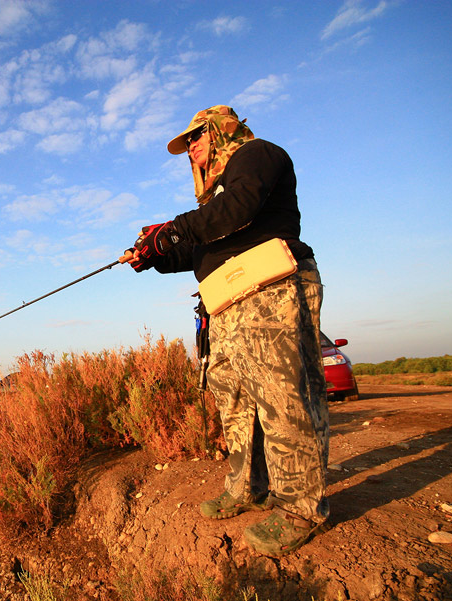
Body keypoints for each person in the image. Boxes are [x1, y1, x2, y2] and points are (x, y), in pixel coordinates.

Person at [120, 105, 329, 557]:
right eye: (186, 144)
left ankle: (299, 509)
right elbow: (193, 252)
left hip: (270, 291)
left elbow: (239, 211)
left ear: (221, 130)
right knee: (234, 402)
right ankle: (246, 488)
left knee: (283, 395)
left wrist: (171, 230)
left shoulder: (257, 157)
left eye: (196, 136)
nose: (190, 148)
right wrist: (152, 255)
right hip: (225, 304)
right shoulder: (212, 200)